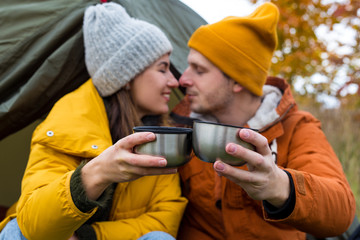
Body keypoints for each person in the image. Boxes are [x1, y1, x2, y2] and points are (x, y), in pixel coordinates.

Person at [0, 2, 187, 240]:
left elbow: (164, 220)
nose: (175, 81)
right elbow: (35, 227)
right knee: (17, 231)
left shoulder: (161, 136)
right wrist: (95, 175)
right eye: (163, 69)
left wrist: (90, 235)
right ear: (127, 77)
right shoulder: (68, 121)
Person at [171, 2, 356, 239]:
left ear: (237, 81)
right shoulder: (182, 126)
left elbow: (341, 211)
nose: (183, 79)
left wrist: (279, 186)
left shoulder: (295, 127)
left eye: (199, 70)